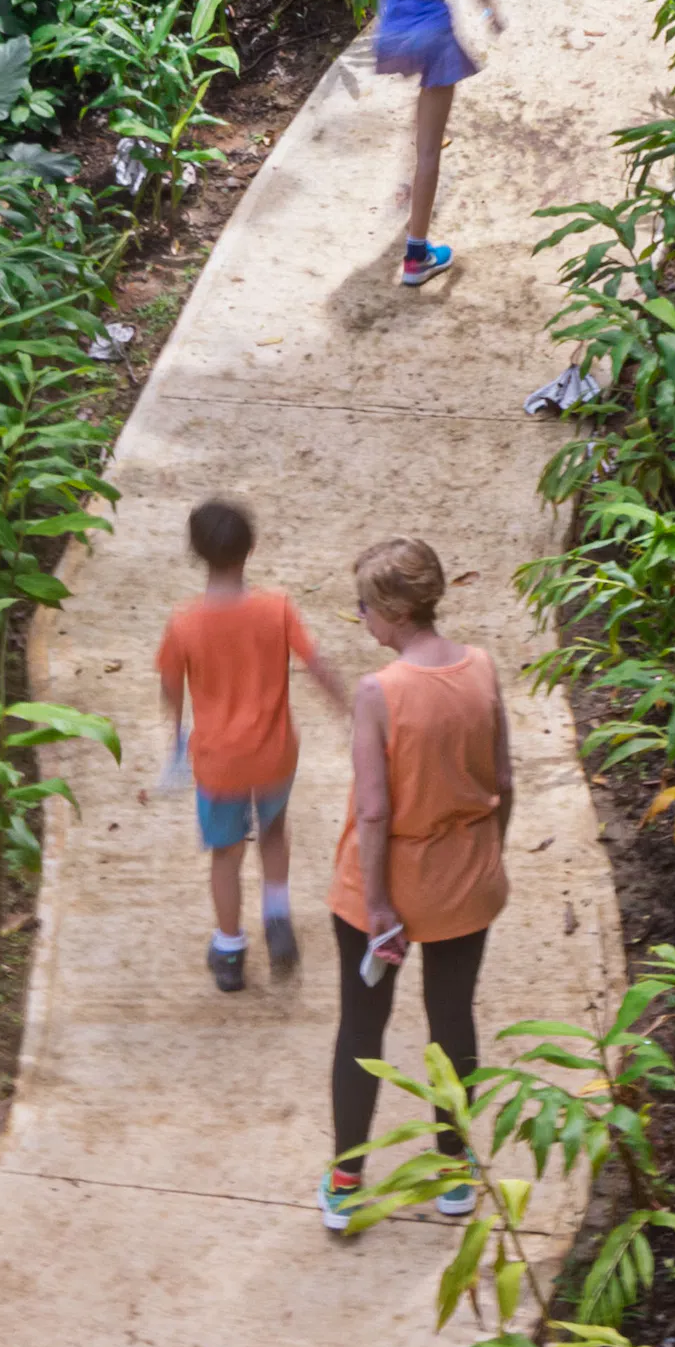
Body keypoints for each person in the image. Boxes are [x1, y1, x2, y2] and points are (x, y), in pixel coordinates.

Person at [321, 534, 512, 1237]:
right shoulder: (481, 667)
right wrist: (488, 855)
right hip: (465, 878)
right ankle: (455, 1172)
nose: (360, 616)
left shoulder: (380, 691)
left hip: (386, 886)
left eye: (364, 606)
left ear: (396, 612)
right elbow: (505, 779)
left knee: (361, 1026)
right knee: (452, 1019)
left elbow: (375, 810)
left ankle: (347, 1182)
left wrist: (377, 904)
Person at [153, 492, 347, 991]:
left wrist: (175, 739)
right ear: (251, 548)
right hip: (275, 752)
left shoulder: (184, 623)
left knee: (226, 852)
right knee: (274, 830)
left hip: (219, 762)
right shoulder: (276, 608)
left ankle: (230, 948)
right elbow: (317, 664)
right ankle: (277, 915)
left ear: (196, 553)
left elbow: (172, 688)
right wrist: (349, 708)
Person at [375, 0, 498, 291]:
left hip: (394, 35)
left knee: (420, 130)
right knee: (430, 153)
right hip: (434, 41)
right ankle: (416, 257)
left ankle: (407, 195)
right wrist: (492, 16)